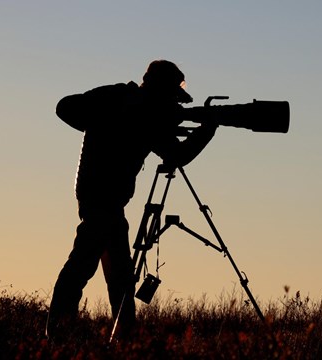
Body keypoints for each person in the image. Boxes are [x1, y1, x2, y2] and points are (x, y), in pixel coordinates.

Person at [46, 60, 217, 340]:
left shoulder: (148, 118)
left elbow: (174, 153)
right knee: (83, 265)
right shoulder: (118, 98)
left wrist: (163, 126)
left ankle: (123, 338)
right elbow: (65, 107)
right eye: (170, 96)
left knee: (121, 276)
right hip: (98, 197)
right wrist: (124, 120)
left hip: (112, 203)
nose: (172, 103)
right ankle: (58, 335)